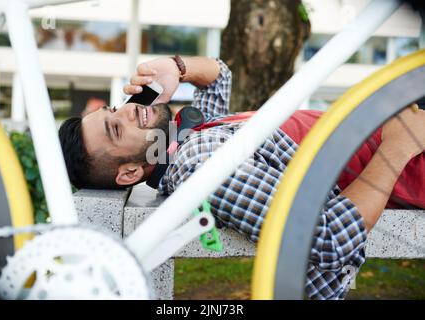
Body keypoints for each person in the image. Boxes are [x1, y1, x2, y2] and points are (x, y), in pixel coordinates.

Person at [59, 56, 425, 299]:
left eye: (114, 110)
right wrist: (399, 145)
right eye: (116, 129)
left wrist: (177, 68)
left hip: (388, 125)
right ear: (131, 173)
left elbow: (220, 78)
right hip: (409, 154)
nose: (129, 113)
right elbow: (332, 238)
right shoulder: (199, 165)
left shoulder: (180, 141)